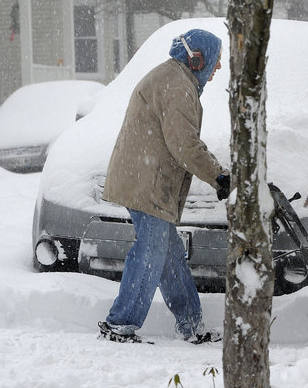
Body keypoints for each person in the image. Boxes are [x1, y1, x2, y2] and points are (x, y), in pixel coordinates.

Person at [97, 28, 231, 344]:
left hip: (147, 178)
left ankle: (191, 325)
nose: (218, 69)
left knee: (168, 254)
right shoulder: (177, 86)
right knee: (150, 251)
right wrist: (218, 176)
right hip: (148, 182)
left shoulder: (176, 79)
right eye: (217, 61)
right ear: (197, 59)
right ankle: (121, 323)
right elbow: (183, 144)